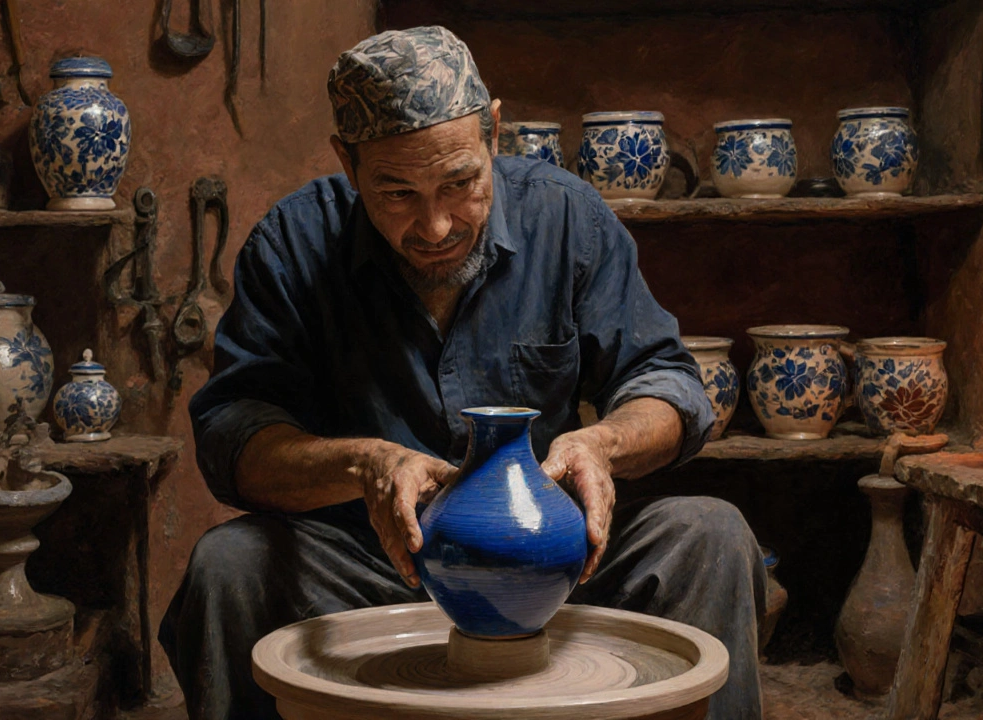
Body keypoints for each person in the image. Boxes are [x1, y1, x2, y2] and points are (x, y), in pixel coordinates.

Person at [160, 25, 766, 720]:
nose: (439, 225)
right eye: (396, 193)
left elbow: (671, 384)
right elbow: (233, 436)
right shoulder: (295, 244)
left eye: (461, 183)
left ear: (494, 133)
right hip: (372, 563)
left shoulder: (566, 217)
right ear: (347, 164)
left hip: (549, 569)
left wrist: (602, 446)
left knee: (709, 535)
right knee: (227, 565)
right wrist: (365, 465)